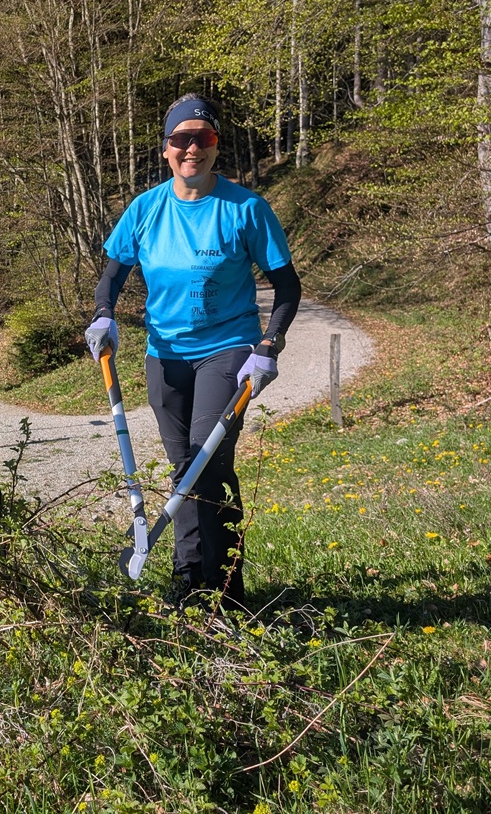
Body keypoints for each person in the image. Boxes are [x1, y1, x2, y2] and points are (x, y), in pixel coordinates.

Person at [85, 94, 301, 609]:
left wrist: (269, 345)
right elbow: (113, 274)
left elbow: (287, 287)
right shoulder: (146, 209)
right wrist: (103, 315)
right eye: (181, 139)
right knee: (183, 467)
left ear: (214, 146)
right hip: (164, 356)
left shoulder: (246, 209)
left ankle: (227, 590)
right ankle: (189, 583)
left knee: (208, 461)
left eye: (202, 139)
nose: (191, 149)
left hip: (227, 349)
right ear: (165, 149)